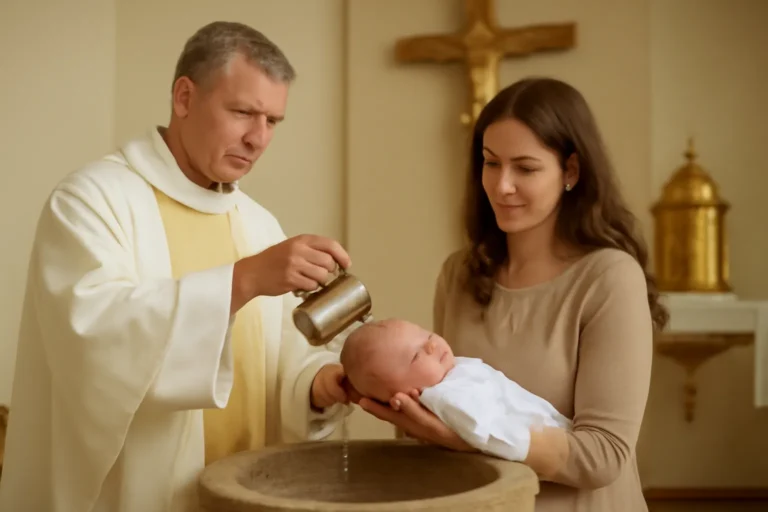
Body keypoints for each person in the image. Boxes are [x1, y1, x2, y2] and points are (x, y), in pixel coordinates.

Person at [0, 21, 354, 512]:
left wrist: (318, 387)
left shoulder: (257, 223)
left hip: (248, 495)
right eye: (243, 112)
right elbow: (93, 339)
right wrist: (243, 279)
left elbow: (279, 364)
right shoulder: (92, 200)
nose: (258, 139)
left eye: (273, 121)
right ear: (184, 97)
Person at [359, 77, 668, 511]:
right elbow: (436, 402)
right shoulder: (461, 274)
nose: (502, 186)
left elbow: (604, 457)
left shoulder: (609, 278)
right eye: (490, 163)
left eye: (525, 168)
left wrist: (474, 441)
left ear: (571, 172)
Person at [340, 318, 572, 462]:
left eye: (425, 334)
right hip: (550, 443)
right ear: (400, 396)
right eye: (416, 356)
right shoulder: (447, 399)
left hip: (564, 434)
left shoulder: (452, 368)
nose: (431, 345)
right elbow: (491, 436)